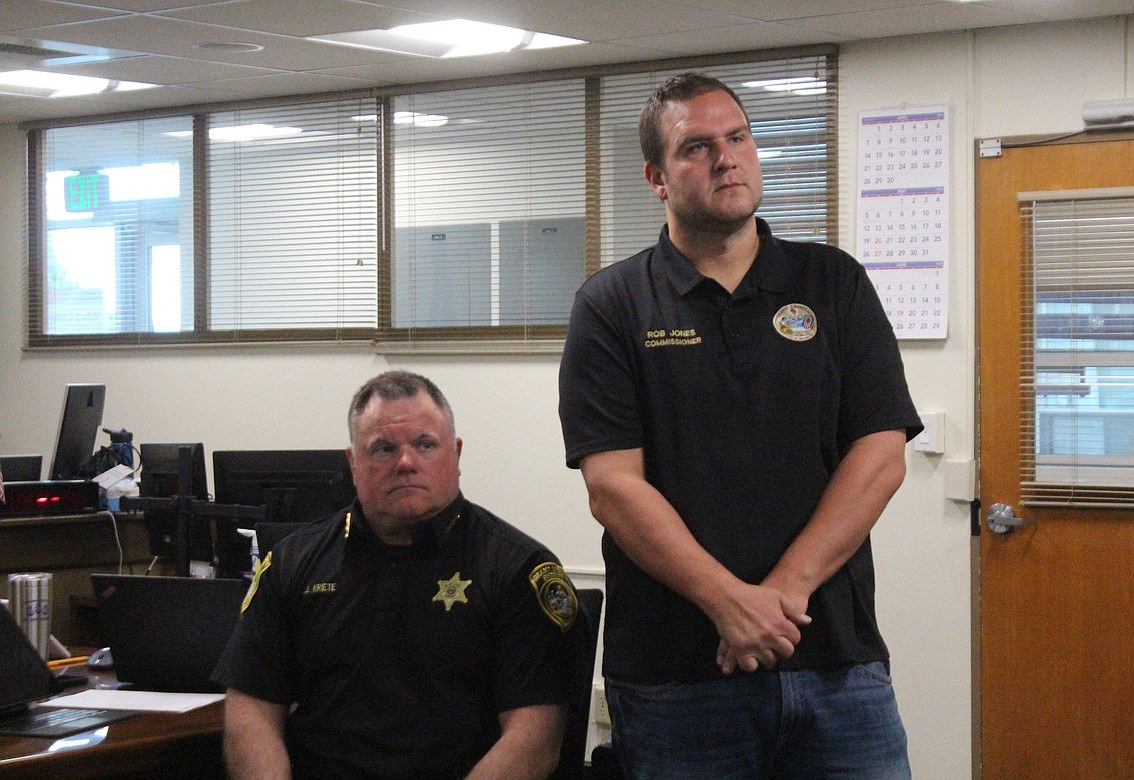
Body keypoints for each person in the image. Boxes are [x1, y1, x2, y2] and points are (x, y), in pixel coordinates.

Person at [558, 72, 923, 779]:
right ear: (657, 178)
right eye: (697, 147)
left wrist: (778, 596)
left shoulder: (832, 282)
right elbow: (613, 487)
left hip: (835, 666)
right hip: (677, 678)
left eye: (738, 138)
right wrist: (727, 605)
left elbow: (879, 456)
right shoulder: (612, 304)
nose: (727, 158)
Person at [214, 370, 583, 780]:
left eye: (425, 445)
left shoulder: (517, 570)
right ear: (353, 463)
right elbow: (252, 712)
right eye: (384, 449)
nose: (406, 463)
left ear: (456, 454)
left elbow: (534, 740)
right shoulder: (292, 564)